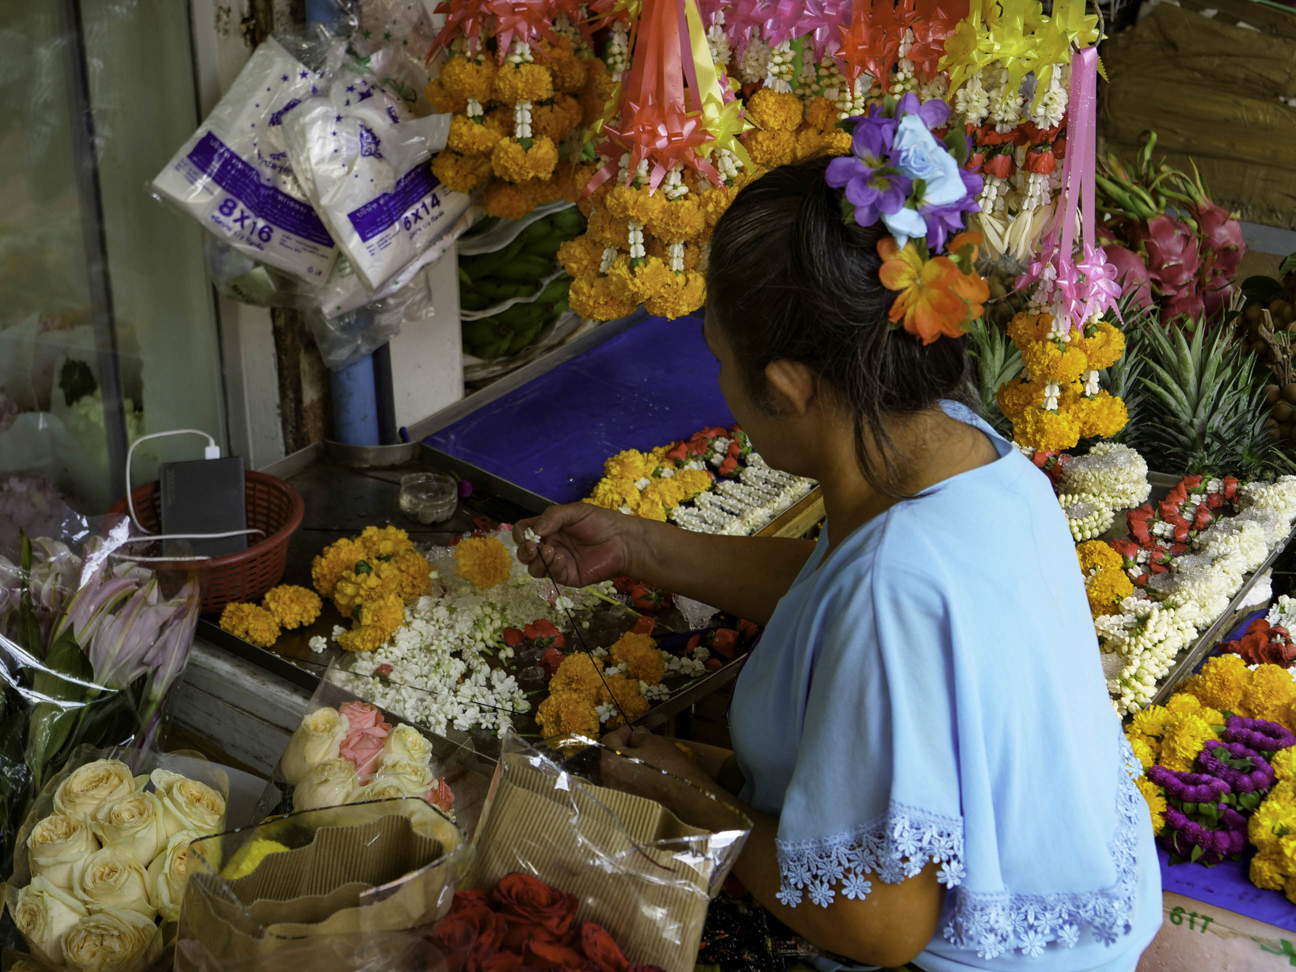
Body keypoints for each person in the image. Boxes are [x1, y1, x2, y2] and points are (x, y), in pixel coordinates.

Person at [514, 100, 1161, 971]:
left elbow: (880, 928)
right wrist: (642, 546)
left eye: (719, 362)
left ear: (786, 387)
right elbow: (836, 587)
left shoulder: (892, 588)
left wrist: (690, 795)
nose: (723, 390)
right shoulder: (979, 461)